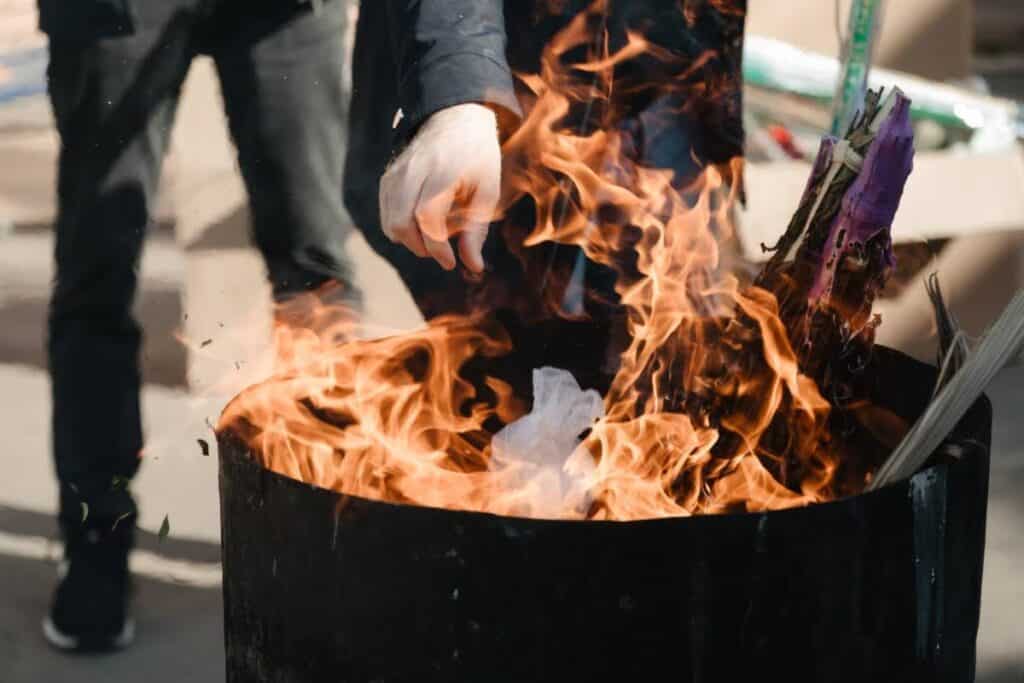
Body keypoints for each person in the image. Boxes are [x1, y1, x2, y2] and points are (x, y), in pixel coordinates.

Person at [39, 0, 356, 651]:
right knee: (95, 271)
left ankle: (338, 532)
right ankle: (95, 538)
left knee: (316, 275)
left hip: (284, 13)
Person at [345, 0, 747, 386]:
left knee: (670, 363)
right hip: (501, 121)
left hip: (670, 104)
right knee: (500, 372)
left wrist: (717, 155)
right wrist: (461, 97)